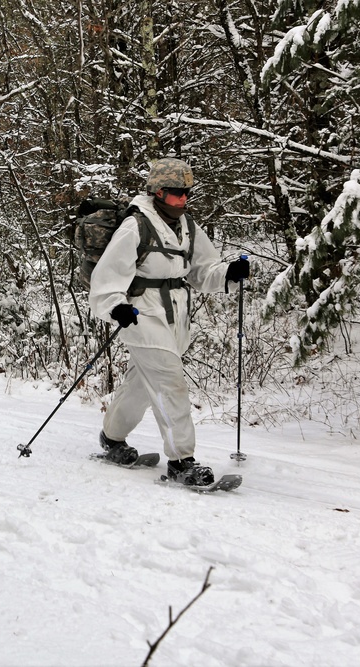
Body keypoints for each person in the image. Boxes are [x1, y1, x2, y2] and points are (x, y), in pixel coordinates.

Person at [88, 157, 250, 486]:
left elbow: (203, 270)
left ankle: (112, 438)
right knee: (169, 382)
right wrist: (115, 306)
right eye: (177, 193)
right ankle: (181, 461)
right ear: (159, 192)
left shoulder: (187, 225)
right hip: (140, 312)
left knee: (141, 387)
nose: (183, 199)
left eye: (187, 193)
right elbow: (107, 277)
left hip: (176, 314)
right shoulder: (137, 224)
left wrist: (228, 273)